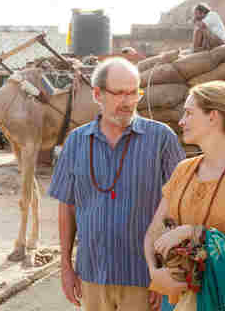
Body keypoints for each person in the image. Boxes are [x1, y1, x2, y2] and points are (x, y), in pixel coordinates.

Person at [48, 58, 185, 311]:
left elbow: (179, 207)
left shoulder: (161, 139)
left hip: (144, 278)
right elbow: (66, 207)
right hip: (92, 275)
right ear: (98, 94)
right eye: (120, 93)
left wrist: (163, 271)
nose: (129, 101)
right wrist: (66, 268)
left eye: (134, 92)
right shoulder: (76, 142)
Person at [144, 80, 225, 311]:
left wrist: (193, 231)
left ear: (213, 117)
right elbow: (153, 230)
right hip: (176, 301)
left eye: (189, 113)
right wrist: (154, 272)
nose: (181, 121)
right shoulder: (183, 170)